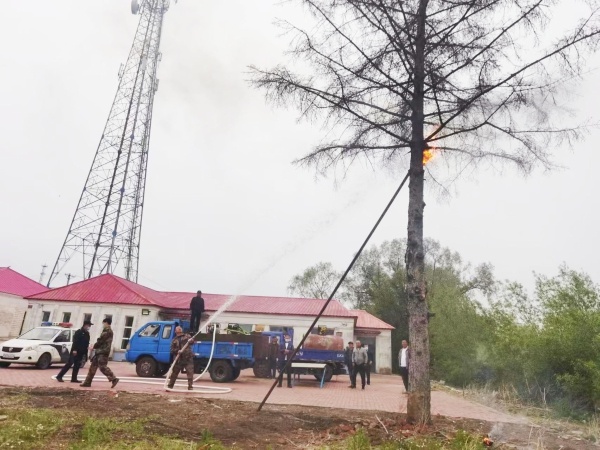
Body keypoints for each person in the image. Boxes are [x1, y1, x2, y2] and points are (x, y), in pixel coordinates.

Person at [80, 318, 119, 388]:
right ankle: (87, 382)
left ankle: (113, 378)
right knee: (93, 367)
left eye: (103, 323)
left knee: (102, 367)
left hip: (103, 352)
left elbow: (100, 340)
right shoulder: (108, 331)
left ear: (106, 323)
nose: (103, 325)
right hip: (100, 351)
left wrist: (94, 346)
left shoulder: (107, 331)